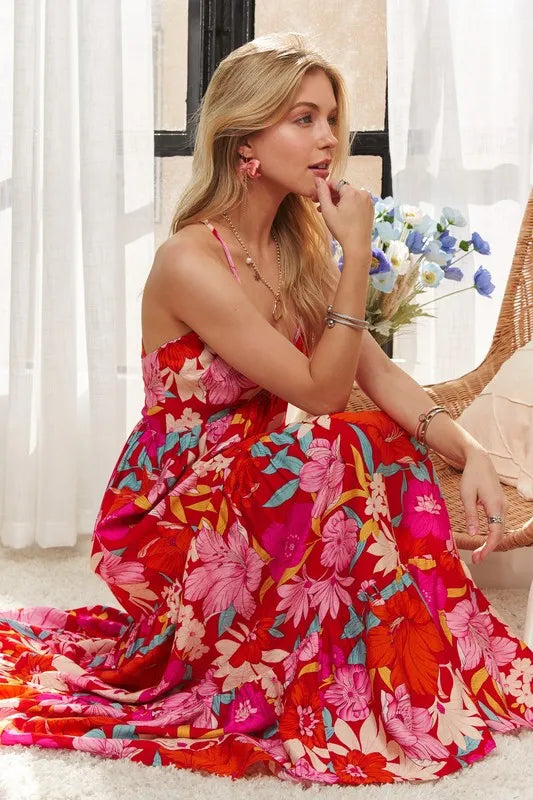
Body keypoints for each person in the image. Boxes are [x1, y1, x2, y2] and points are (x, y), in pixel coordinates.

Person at [0, 32, 531, 786]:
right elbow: (319, 392)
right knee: (335, 441)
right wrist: (355, 257)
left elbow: (378, 374)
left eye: (330, 119)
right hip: (171, 511)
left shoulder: (294, 249)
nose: (328, 139)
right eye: (303, 119)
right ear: (244, 138)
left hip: (251, 492)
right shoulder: (189, 259)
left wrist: (468, 452)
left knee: (369, 438)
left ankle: (398, 666)